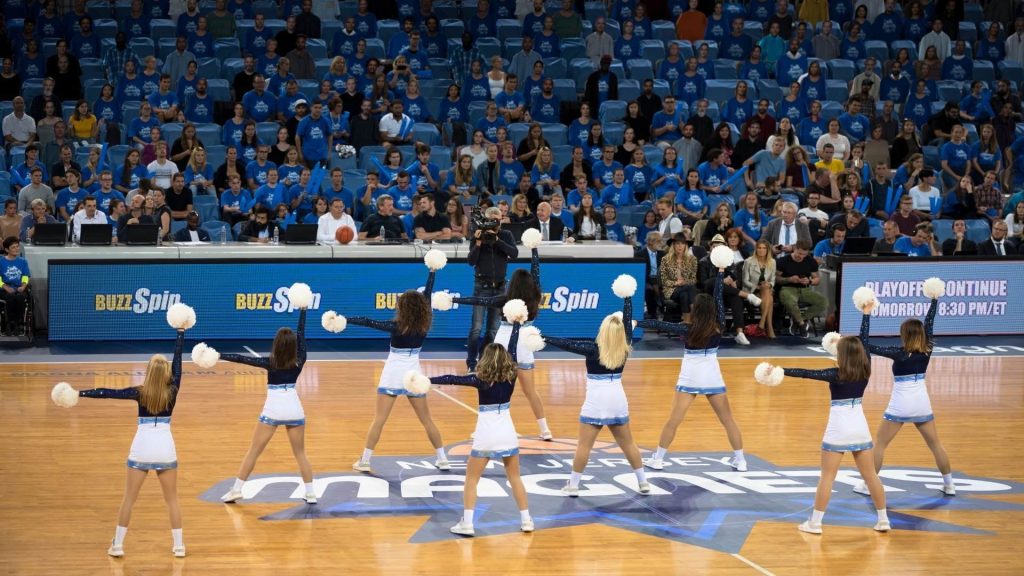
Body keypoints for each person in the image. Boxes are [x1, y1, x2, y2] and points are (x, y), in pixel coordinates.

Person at [67, 323, 189, 556]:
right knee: (172, 500)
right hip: (165, 448)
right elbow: (178, 364)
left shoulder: (139, 392)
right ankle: (179, 546)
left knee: (129, 500)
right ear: (167, 375)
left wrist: (79, 393)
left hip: (141, 448)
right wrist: (180, 333)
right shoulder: (173, 391)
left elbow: (106, 392)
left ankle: (118, 545)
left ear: (148, 372)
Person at [760, 332, 890, 534]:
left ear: (842, 356)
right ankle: (883, 520)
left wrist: (780, 370)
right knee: (871, 475)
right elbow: (861, 345)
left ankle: (815, 523)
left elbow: (806, 373)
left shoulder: (835, 374)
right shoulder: (866, 370)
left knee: (828, 476)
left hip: (838, 429)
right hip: (860, 429)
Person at [429, 321, 534, 536]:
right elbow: (512, 349)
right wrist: (515, 325)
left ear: (485, 359)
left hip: (486, 434)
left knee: (471, 478)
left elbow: (451, 379)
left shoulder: (481, 379)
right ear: (506, 360)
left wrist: (426, 379)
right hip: (507, 431)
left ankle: (467, 523)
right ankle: (527, 520)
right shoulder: (512, 375)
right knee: (514, 477)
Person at [542, 287, 649, 496]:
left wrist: (542, 337)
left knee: (584, 446)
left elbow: (566, 344)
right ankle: (643, 482)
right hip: (618, 399)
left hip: (597, 401)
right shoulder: (624, 347)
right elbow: (627, 323)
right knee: (628, 444)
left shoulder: (592, 349)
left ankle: (573, 485)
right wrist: (628, 300)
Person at [639, 266, 747, 470]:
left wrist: (636, 322)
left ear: (695, 309)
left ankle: (659, 458)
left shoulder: (687, 328)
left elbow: (659, 324)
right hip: (712, 376)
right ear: (714, 310)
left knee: (674, 420)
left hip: (690, 377)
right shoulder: (719, 324)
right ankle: (741, 460)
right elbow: (717, 297)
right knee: (728, 421)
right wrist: (721, 273)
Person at [854, 287, 955, 496]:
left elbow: (863, 343)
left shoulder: (898, 353)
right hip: (922, 402)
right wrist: (934, 300)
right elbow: (930, 322)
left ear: (904, 334)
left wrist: (866, 314)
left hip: (901, 404)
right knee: (936, 444)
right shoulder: (927, 348)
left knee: (880, 444)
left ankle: (867, 485)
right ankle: (949, 484)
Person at [347, 270, 448, 471]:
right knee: (427, 419)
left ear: (403, 308)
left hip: (393, 373)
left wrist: (345, 320)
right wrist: (432, 272)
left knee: (379, 420)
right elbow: (427, 296)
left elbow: (367, 321)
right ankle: (442, 458)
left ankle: (365, 460)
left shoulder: (396, 326)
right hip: (414, 375)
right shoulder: (424, 325)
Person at [219, 301, 316, 505]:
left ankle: (237, 490)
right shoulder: (299, 361)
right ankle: (310, 493)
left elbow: (240, 359)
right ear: (293, 347)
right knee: (301, 454)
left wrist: (218, 355)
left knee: (253, 451)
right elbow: (301, 332)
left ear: (276, 345)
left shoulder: (269, 363)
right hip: (294, 409)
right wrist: (303, 311)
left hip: (273, 410)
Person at [465, 207, 518, 372]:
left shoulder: (506, 235)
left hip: (500, 287)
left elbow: (514, 253)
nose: (495, 221)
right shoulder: (478, 235)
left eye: (497, 218)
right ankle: (471, 363)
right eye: (491, 218)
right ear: (486, 220)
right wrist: (478, 243)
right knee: (476, 328)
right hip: (481, 286)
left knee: (493, 330)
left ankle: (483, 359)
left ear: (501, 219)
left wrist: (497, 240)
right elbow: (471, 261)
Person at [776, 240, 826, 337]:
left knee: (823, 302)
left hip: (805, 289)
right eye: (799, 253)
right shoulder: (783, 261)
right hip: (788, 288)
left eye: (804, 254)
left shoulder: (810, 261)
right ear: (794, 249)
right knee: (790, 300)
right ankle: (802, 326)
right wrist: (789, 279)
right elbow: (775, 279)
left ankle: (799, 321)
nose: (801, 256)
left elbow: (817, 279)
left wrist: (810, 281)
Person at [742, 239, 776, 338]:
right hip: (752, 291)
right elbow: (745, 281)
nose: (761, 250)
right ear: (756, 249)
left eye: (764, 248)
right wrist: (757, 286)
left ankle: (762, 325)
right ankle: (768, 327)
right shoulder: (748, 261)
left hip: (766, 290)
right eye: (759, 248)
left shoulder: (772, 262)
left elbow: (773, 279)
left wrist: (769, 284)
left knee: (767, 291)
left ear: (767, 250)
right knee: (769, 297)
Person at [1, 236, 30, 335]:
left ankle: (18, 323)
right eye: (13, 247)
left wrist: (23, 286)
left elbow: (25, 276)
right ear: (6, 249)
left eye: (17, 246)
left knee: (20, 297)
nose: (16, 249)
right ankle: (9, 323)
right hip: (4, 288)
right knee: (10, 297)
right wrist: (5, 287)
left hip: (19, 288)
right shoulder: (1, 261)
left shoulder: (23, 261)